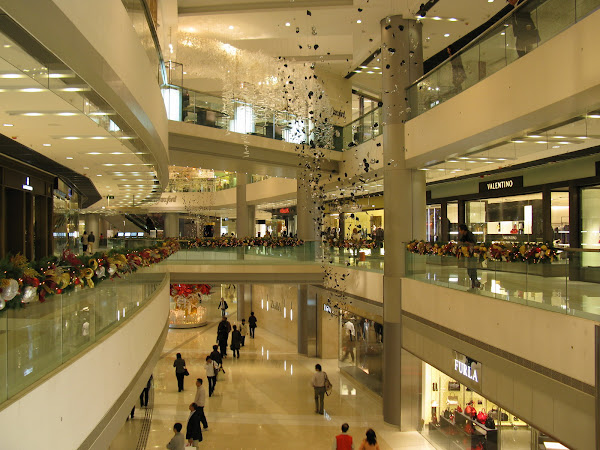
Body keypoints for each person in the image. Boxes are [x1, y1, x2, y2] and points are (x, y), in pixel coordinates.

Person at [458, 223, 480, 289]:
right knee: (469, 269)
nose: (459, 232)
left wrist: (467, 244)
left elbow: (473, 243)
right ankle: (474, 282)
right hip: (468, 255)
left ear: (463, 230)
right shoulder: (464, 236)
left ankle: (475, 282)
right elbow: (460, 242)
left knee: (472, 269)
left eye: (460, 230)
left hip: (472, 254)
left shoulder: (470, 235)